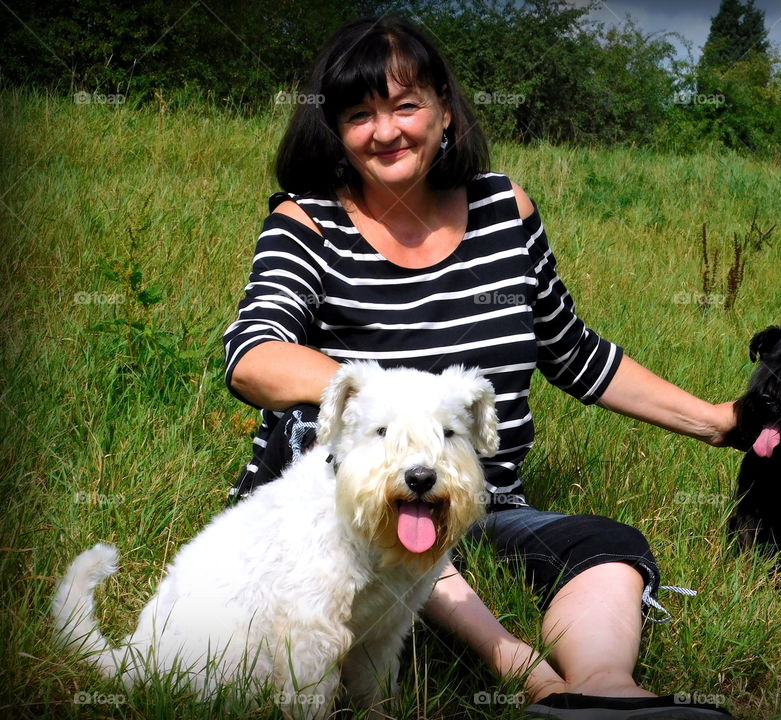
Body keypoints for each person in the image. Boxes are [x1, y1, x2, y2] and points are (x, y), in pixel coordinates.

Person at [223, 15, 737, 719]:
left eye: (405, 106)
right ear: (334, 131)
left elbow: (572, 351)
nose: (386, 130)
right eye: (358, 115)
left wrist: (714, 422)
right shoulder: (309, 224)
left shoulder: (503, 210)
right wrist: (394, 405)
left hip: (479, 504)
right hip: (350, 511)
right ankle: (537, 683)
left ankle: (607, 691)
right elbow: (255, 356)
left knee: (606, 545)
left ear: (443, 109)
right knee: (405, 533)